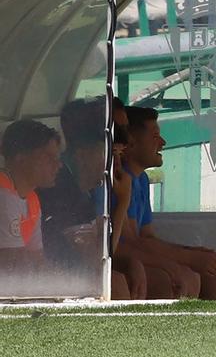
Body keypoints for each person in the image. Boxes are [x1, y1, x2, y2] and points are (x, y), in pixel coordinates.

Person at [119, 104, 216, 300]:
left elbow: (147, 237)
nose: (162, 143)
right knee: (188, 277)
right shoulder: (119, 179)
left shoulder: (141, 180)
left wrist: (189, 252)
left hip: (139, 254)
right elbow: (133, 243)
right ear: (131, 143)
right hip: (124, 259)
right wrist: (187, 258)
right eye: (154, 137)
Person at [39, 97, 142, 299]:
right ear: (82, 154)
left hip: (70, 270)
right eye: (110, 154)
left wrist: (131, 262)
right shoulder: (61, 190)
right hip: (51, 279)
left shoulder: (79, 188)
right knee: (115, 283)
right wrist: (122, 203)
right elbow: (98, 260)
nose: (116, 164)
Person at [0, 119, 62, 275]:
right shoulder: (3, 194)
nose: (58, 165)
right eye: (48, 157)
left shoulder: (31, 199)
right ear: (20, 157)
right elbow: (13, 265)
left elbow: (37, 260)